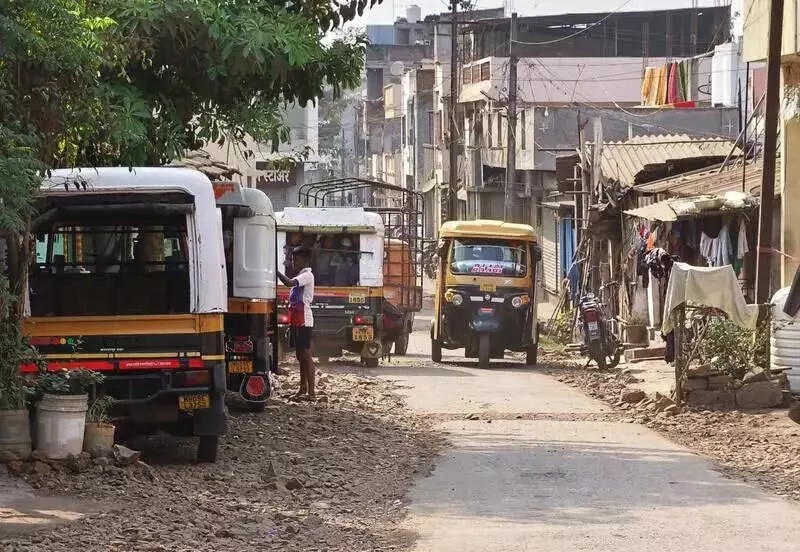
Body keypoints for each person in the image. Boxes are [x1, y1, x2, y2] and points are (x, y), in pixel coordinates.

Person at [277, 246, 317, 400]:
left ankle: (311, 393)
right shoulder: (302, 275)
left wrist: (275, 271)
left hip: (304, 321)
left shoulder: (307, 275)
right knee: (300, 356)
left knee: (306, 356)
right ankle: (303, 389)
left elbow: (288, 283)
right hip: (297, 320)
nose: (294, 263)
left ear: (305, 260)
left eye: (296, 260)